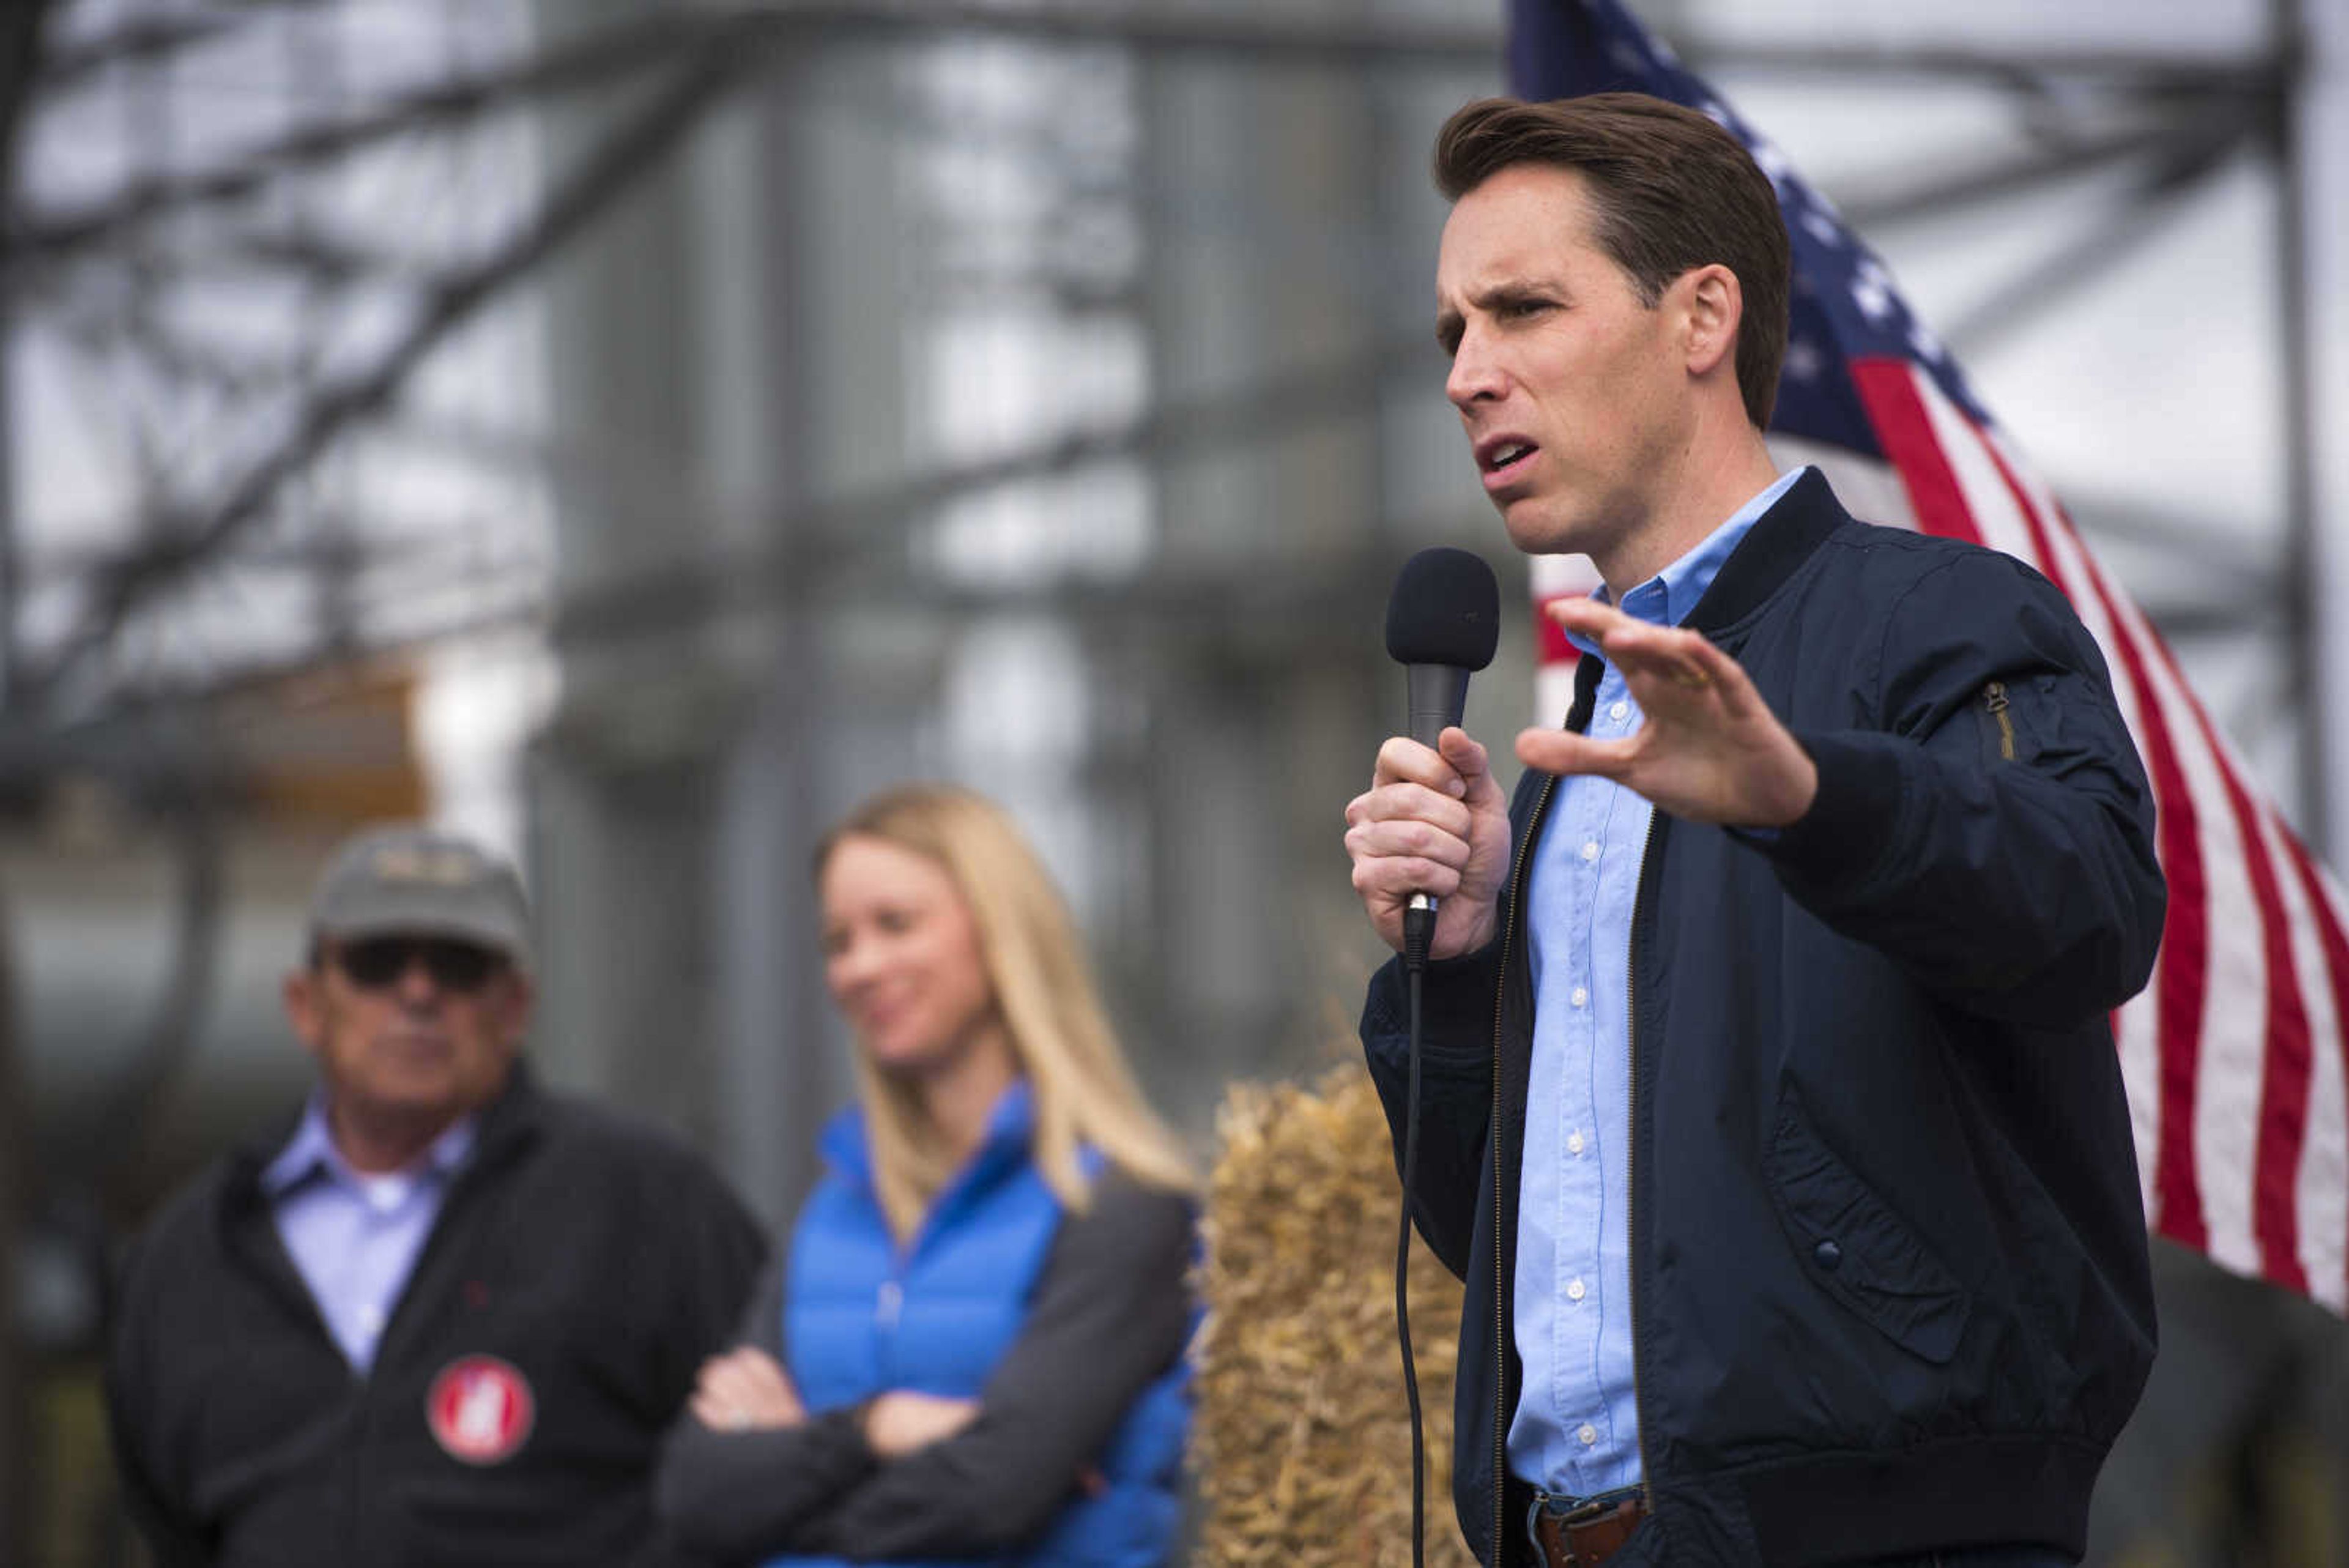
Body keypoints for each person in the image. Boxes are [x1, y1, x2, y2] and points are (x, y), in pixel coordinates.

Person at [1343, 94, 2165, 1568]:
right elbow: (1525, 1250)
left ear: (1700, 315)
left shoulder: (1940, 619)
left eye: (1522, 309)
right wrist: (1458, 971)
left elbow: (2090, 908)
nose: (1469, 375)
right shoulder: (1572, 752)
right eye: (1452, 333)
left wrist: (1812, 797)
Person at [105, 823, 766, 1568]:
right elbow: (165, 1519)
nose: (418, 993)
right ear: (305, 1004)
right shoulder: (194, 1250)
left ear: (515, 1006)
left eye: (459, 965)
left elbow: (767, 1479)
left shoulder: (649, 1203)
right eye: (377, 962)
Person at [655, 784, 1197, 1567]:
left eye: (896, 925)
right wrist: (874, 1428)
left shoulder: (1122, 1205)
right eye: (838, 941)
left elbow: (995, 1495)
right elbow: (694, 1498)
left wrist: (786, 1488)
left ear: (1000, 932)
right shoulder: (836, 1210)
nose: (861, 966)